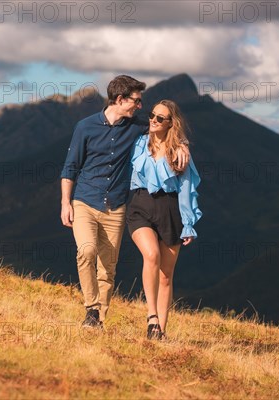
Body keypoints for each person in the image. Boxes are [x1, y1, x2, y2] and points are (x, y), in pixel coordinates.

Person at [60, 76, 189, 329]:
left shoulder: (137, 126)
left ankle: (98, 319)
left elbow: (165, 128)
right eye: (136, 101)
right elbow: (70, 167)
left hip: (116, 207)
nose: (140, 107)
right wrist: (66, 202)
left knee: (108, 268)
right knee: (86, 251)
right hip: (84, 201)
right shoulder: (85, 127)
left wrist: (182, 144)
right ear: (120, 99)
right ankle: (91, 308)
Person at [127, 99, 202, 339]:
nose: (153, 120)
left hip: (170, 210)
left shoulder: (178, 152)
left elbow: (187, 187)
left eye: (160, 118)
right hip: (140, 205)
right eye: (152, 115)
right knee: (152, 256)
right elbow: (125, 120)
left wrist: (188, 223)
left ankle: (160, 332)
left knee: (166, 275)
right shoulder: (139, 143)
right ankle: (151, 317)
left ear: (171, 123)